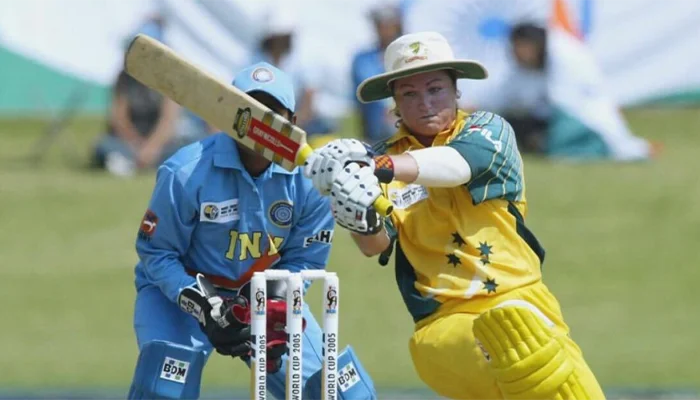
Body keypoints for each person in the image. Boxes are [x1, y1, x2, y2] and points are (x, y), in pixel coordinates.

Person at [303, 32, 605, 399]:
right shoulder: (383, 159)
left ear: (455, 90)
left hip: (524, 302)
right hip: (444, 327)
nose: (424, 103)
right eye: (409, 95)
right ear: (395, 102)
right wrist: (354, 213)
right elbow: (373, 245)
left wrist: (374, 165)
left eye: (435, 89)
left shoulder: (488, 131)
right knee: (515, 346)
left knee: (548, 364)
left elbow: (456, 165)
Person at [128, 62, 376, 400]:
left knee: (339, 393)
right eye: (248, 109)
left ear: (291, 122)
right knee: (164, 389)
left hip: (263, 295)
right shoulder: (186, 172)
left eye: (271, 113)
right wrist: (204, 304)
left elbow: (304, 261)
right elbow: (157, 253)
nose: (259, 123)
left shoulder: (312, 181)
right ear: (230, 114)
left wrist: (268, 306)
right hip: (181, 296)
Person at [92, 17, 183, 176]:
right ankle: (133, 162)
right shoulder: (124, 77)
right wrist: (136, 143)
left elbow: (168, 121)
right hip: (130, 142)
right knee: (103, 145)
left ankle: (134, 163)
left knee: (187, 147)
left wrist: (151, 147)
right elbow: (118, 118)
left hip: (161, 142)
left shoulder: (170, 79)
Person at [351, 4, 403, 143]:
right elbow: (365, 92)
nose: (383, 29)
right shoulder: (362, 59)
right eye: (379, 24)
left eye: (388, 24)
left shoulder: (408, 55)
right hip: (375, 131)